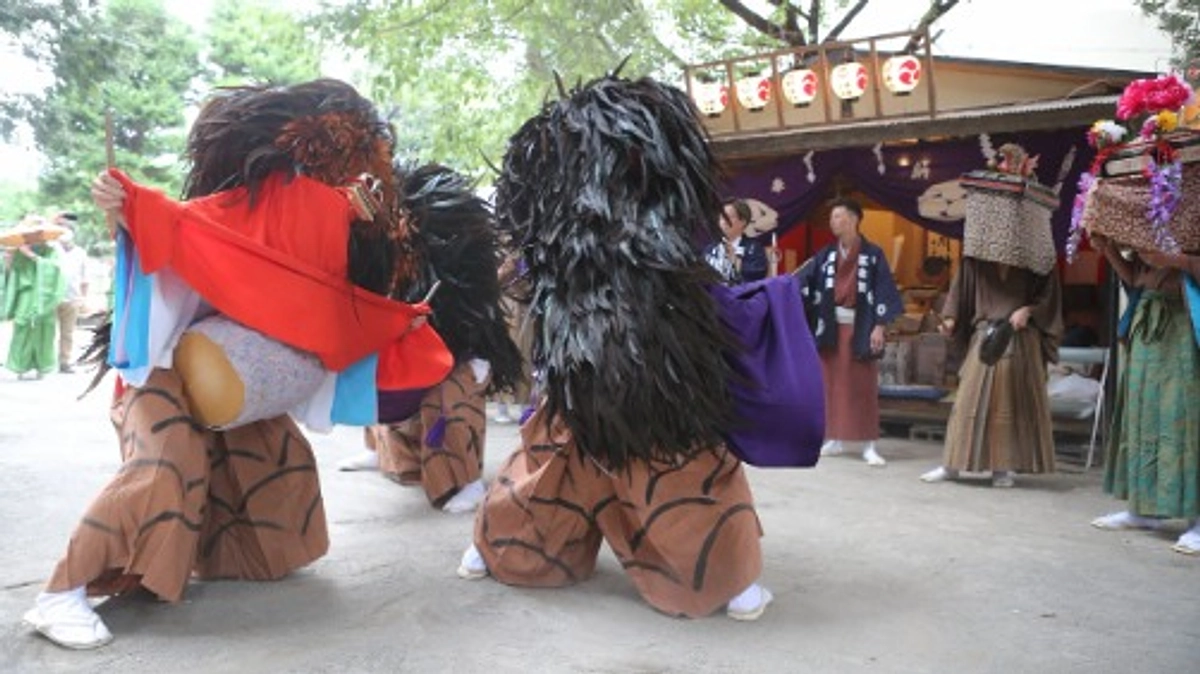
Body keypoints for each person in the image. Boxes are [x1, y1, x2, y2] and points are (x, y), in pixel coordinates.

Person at [23, 79, 450, 650]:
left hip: (241, 376)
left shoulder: (337, 218)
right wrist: (124, 207)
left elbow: (334, 302)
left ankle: (233, 556)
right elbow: (174, 224)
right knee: (164, 468)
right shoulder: (256, 203)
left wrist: (395, 319)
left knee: (274, 457)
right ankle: (61, 592)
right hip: (165, 373)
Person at [456, 74, 773, 621]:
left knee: (558, 452)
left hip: (590, 368)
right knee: (668, 459)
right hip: (636, 373)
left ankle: (495, 546)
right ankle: (727, 580)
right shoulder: (653, 231)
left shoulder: (569, 226)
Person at [339, 162, 524, 514]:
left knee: (452, 391)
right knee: (375, 373)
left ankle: (464, 479)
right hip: (412, 349)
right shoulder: (388, 251)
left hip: (462, 353)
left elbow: (467, 311)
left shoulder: (455, 260)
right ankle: (380, 451)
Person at [1088, 236, 1200, 555]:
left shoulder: (1190, 215)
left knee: (1186, 419)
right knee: (1143, 417)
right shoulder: (1150, 222)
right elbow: (1137, 278)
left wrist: (1176, 260)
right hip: (1148, 328)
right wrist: (1109, 250)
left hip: (1184, 328)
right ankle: (1145, 509)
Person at [796, 197, 902, 467]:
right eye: (832, 217)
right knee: (830, 386)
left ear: (854, 219)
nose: (834, 222)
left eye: (839, 216)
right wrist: (781, 280)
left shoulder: (873, 254)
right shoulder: (825, 255)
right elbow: (803, 281)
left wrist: (879, 326)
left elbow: (884, 291)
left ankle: (869, 444)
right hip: (832, 328)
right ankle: (834, 438)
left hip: (862, 328)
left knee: (863, 387)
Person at [2, 216, 66, 380]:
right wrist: (8, 262)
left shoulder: (51, 251)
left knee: (44, 330)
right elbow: (11, 276)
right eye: (28, 234)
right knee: (22, 328)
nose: (31, 237)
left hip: (45, 299)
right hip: (26, 296)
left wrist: (32, 256)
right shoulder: (17, 252)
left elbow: (56, 270)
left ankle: (42, 366)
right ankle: (20, 365)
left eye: (36, 234)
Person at [52, 212, 89, 373]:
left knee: (68, 333)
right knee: (48, 330)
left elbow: (84, 279)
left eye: (68, 228)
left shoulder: (80, 253)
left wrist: (83, 299)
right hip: (51, 297)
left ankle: (64, 362)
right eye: (62, 228)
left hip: (72, 298)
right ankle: (45, 361)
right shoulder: (51, 249)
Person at [705, 199, 769, 284]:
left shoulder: (753, 249)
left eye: (728, 217)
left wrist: (734, 260)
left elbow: (756, 278)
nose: (723, 222)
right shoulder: (710, 248)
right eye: (721, 217)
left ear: (743, 221)